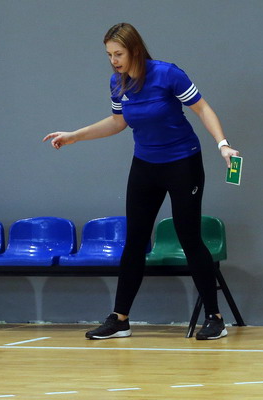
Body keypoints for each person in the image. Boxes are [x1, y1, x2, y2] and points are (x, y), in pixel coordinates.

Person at [43, 23, 240, 341]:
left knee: (189, 237)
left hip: (183, 163)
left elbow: (202, 109)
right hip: (146, 165)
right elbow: (117, 122)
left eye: (118, 54)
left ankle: (215, 318)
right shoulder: (117, 82)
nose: (113, 61)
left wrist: (223, 145)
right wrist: (74, 136)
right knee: (134, 240)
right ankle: (120, 319)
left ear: (134, 50)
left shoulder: (168, 74)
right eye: (109, 55)